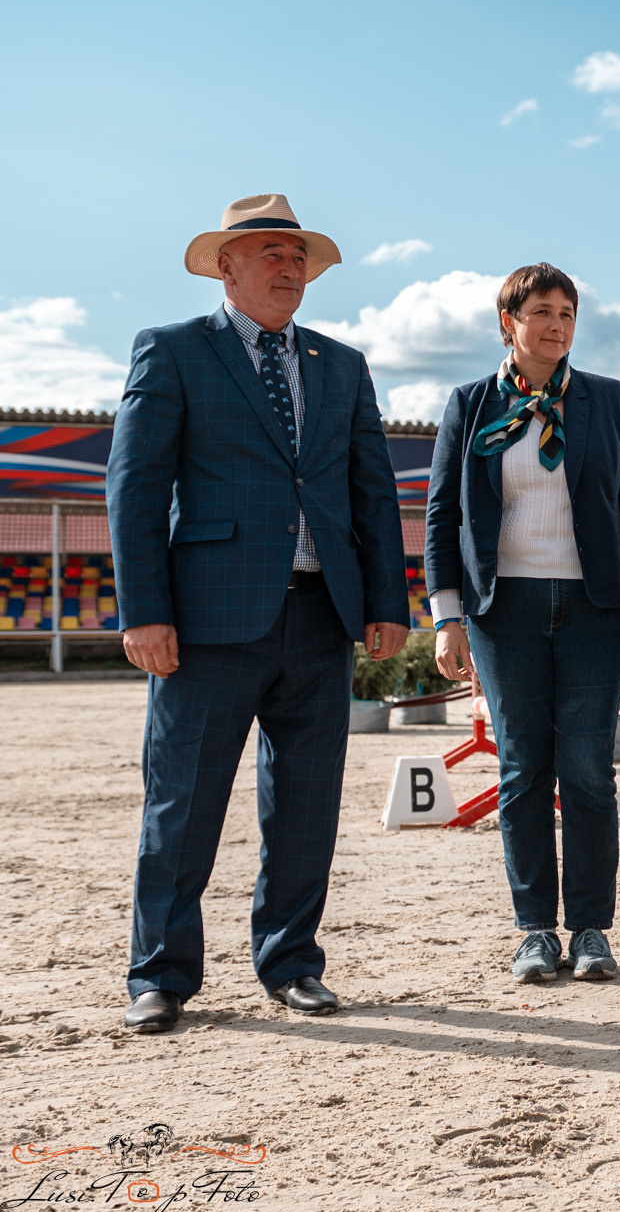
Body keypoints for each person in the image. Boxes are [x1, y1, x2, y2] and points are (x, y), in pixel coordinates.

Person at [107, 195, 408, 1034]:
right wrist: (145, 610)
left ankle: (291, 963)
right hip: (205, 621)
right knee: (183, 801)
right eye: (271, 253)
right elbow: (134, 488)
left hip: (320, 616)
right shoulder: (172, 351)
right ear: (226, 266)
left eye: (299, 256)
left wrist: (387, 599)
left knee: (306, 804)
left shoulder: (342, 363)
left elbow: (372, 492)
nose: (288, 267)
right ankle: (160, 975)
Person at [425, 264, 620, 984]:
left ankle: (591, 927)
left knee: (589, 771)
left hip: (595, 609)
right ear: (509, 322)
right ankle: (535, 929)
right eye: (541, 312)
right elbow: (441, 516)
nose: (556, 324)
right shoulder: (469, 405)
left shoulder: (609, 400)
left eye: (566, 312)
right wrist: (448, 618)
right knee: (523, 769)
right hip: (504, 613)